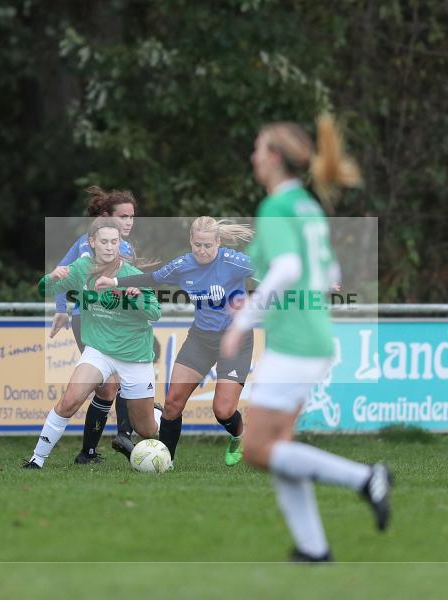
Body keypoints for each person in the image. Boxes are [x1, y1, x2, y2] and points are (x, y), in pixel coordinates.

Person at [219, 115, 391, 562]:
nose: (253, 157)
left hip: (295, 342)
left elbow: (289, 269)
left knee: (257, 448)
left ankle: (364, 478)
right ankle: (313, 549)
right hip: (313, 336)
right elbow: (329, 274)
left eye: (258, 149)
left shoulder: (276, 207)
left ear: (274, 158)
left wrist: (243, 322)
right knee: (278, 448)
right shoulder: (307, 206)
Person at [95, 216, 255, 465]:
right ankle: (165, 461)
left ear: (218, 243)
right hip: (201, 339)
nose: (202, 251)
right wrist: (114, 281)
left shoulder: (235, 262)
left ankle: (240, 436)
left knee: (223, 411)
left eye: (208, 246)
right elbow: (152, 279)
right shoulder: (182, 265)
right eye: (197, 244)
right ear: (191, 241)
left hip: (236, 341)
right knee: (171, 404)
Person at [23, 217, 161, 469]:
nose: (110, 247)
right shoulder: (81, 268)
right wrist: (50, 278)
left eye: (115, 242)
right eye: (104, 241)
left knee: (147, 430)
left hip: (134, 355)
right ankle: (37, 459)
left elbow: (155, 313)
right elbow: (45, 289)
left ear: (120, 243)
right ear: (92, 242)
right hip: (98, 351)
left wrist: (138, 299)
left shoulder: (132, 276)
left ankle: (157, 413)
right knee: (69, 400)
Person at [49, 186, 137, 464]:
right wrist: (61, 310)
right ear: (106, 217)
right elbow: (61, 274)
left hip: (114, 324)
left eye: (132, 217)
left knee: (109, 387)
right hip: (88, 321)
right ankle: (122, 435)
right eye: (122, 216)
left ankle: (90, 452)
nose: (128, 222)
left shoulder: (127, 248)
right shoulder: (89, 244)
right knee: (109, 383)